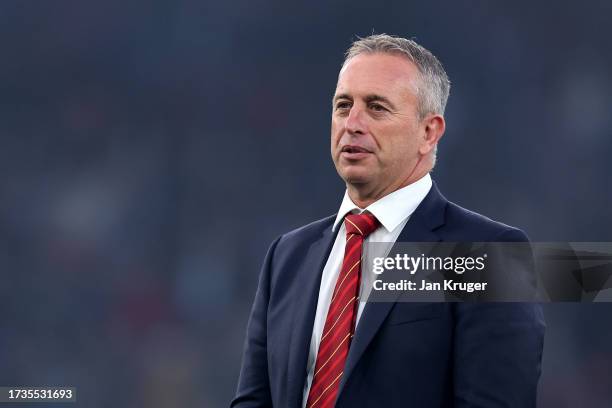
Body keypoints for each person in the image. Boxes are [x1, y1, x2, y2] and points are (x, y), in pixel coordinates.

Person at [231, 34, 545, 408]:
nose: (353, 123)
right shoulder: (287, 256)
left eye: (377, 108)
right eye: (343, 105)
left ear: (429, 132)